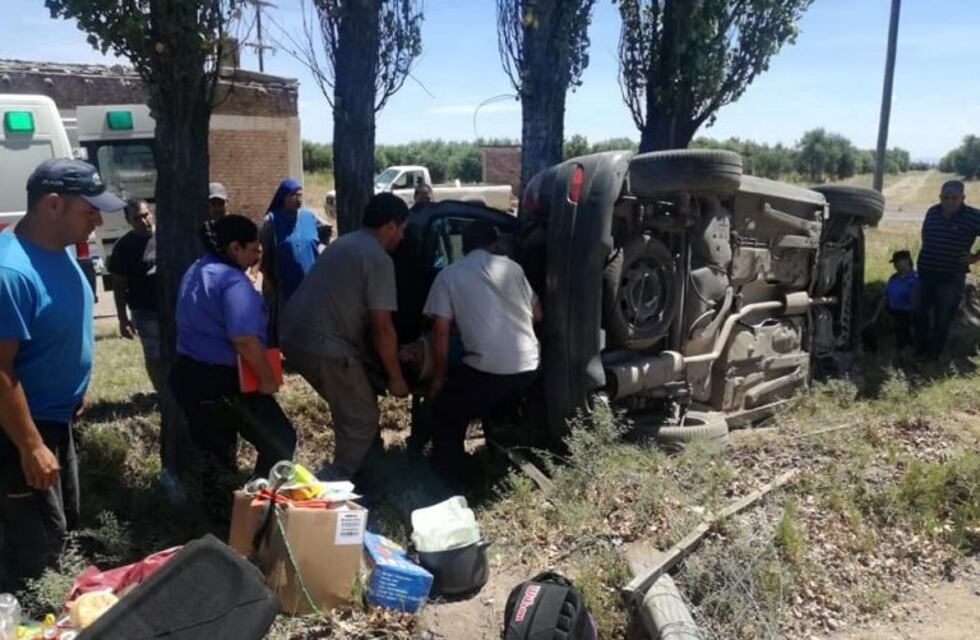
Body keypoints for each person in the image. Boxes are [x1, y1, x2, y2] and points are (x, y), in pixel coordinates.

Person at [0, 158, 122, 586]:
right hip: (18, 432)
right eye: (89, 210)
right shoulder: (10, 273)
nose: (98, 219)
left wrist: (75, 386)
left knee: (63, 527)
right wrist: (30, 445)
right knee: (35, 548)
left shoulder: (65, 251)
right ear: (53, 204)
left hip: (58, 420)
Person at [280, 193, 410, 481]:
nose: (402, 237)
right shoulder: (378, 259)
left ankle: (363, 471)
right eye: (402, 229)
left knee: (351, 406)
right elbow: (382, 327)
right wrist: (397, 377)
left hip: (294, 335)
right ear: (389, 226)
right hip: (324, 344)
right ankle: (335, 488)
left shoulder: (346, 243)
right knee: (361, 417)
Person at [170, 215, 296, 483]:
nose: (256, 258)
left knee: (216, 456)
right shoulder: (233, 281)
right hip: (224, 380)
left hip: (189, 375)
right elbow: (245, 341)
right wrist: (267, 380)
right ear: (235, 248)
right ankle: (258, 502)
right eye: (253, 250)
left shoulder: (198, 268)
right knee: (280, 438)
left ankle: (223, 517)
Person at [422, 220, 541, 483]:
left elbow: (440, 331)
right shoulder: (514, 268)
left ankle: (452, 475)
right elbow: (538, 313)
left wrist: (438, 379)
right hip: (529, 367)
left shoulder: (450, 275)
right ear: (495, 244)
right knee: (496, 403)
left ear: (463, 248)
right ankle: (502, 463)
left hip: (488, 371)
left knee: (447, 411)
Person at [107, 198, 190, 488]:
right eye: (136, 219)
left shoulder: (166, 238)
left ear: (150, 212)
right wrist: (122, 318)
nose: (143, 222)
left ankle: (177, 390)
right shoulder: (124, 247)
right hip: (145, 311)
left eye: (145, 215)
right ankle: (163, 392)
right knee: (156, 359)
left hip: (172, 310)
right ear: (129, 221)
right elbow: (118, 283)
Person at [913, 180, 980, 358]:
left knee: (942, 317)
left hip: (951, 277)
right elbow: (926, 236)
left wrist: (975, 257)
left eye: (954, 198)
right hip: (926, 273)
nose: (949, 201)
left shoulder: (974, 216)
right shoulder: (933, 212)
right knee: (917, 311)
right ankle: (921, 350)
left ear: (963, 198)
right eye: (945, 197)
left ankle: (933, 356)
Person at [259, 178, 329, 344]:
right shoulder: (272, 222)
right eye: (292, 195)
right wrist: (268, 279)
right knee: (282, 322)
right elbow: (262, 252)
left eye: (300, 195)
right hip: (281, 282)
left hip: (308, 281)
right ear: (283, 197)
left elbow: (326, 231)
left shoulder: (309, 217)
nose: (298, 198)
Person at [867, 250, 918, 351]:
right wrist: (875, 317)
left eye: (898, 261)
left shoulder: (915, 279)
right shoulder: (893, 278)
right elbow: (885, 297)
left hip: (907, 314)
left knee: (903, 334)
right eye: (894, 262)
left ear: (907, 261)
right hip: (891, 312)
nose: (895, 265)